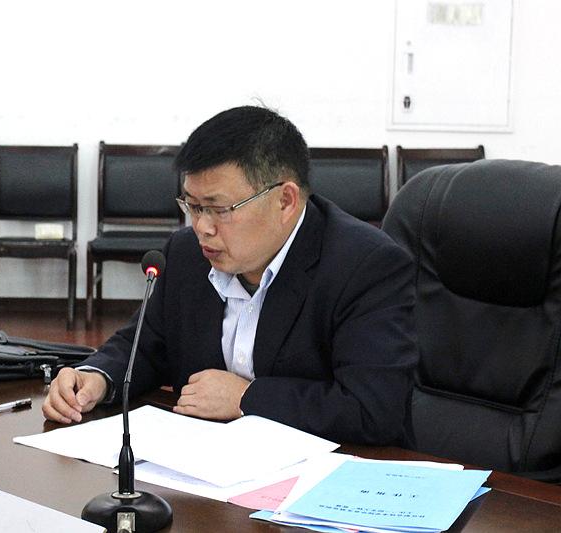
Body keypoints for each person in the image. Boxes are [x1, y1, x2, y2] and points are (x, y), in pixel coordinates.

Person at [43, 106, 417, 445]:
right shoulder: (186, 254)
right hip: (203, 469)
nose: (202, 227)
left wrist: (246, 398)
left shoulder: (364, 266)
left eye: (219, 209)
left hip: (317, 477)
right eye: (192, 206)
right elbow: (144, 345)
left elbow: (373, 409)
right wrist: (97, 377)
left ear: (285, 201)